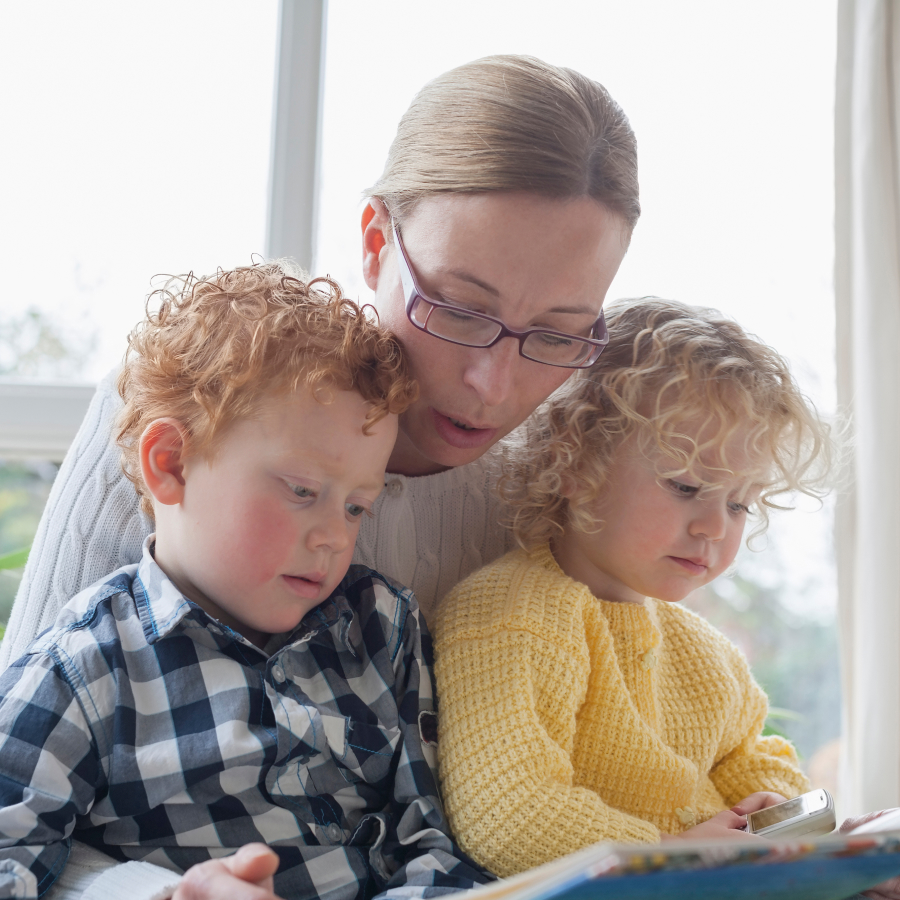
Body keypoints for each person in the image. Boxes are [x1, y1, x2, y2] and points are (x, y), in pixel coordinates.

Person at [1, 54, 638, 899]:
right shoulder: (207, 402)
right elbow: (26, 810)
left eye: (558, 333)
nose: (494, 387)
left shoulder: (538, 492)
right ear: (377, 242)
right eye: (458, 308)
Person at [0, 263, 488, 900]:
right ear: (171, 464)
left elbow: (425, 843)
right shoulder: (85, 668)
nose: (334, 537)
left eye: (356, 506)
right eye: (302, 491)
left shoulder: (381, 625)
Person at [434, 297, 833, 878]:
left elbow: (750, 758)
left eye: (739, 503)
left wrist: (776, 812)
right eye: (685, 484)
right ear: (574, 459)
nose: (714, 527)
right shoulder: (513, 613)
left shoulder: (706, 653)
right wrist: (672, 852)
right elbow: (507, 811)